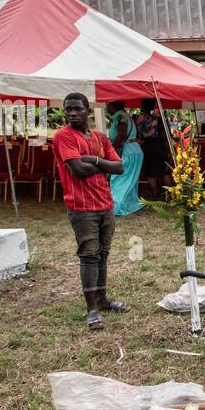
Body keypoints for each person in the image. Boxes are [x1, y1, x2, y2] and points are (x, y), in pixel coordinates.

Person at [52, 93, 127, 331]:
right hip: (81, 206)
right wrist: (102, 165)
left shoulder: (100, 138)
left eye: (77, 109)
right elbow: (77, 170)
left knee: (103, 253)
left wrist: (93, 159)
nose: (72, 113)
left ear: (87, 110)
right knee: (89, 255)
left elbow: (120, 167)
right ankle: (92, 309)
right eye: (68, 109)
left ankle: (102, 299)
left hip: (105, 203)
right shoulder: (63, 136)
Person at [106, 100, 141, 216]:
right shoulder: (125, 116)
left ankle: (115, 207)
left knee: (118, 179)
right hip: (134, 150)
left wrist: (111, 150)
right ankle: (129, 205)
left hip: (128, 151)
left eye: (108, 105)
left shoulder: (121, 117)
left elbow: (122, 135)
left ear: (112, 106)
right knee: (129, 180)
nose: (107, 108)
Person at [134, 98, 169, 200]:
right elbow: (163, 134)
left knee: (150, 174)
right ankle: (170, 197)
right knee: (164, 172)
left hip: (146, 146)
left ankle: (154, 197)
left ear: (142, 106)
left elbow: (138, 135)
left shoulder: (137, 119)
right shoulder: (158, 118)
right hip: (159, 146)